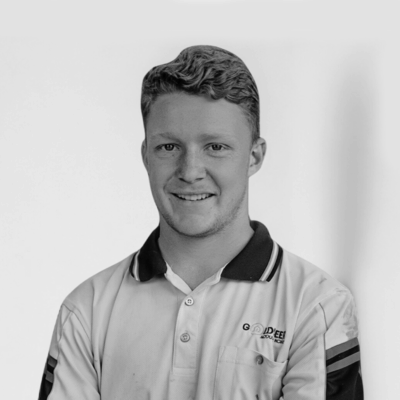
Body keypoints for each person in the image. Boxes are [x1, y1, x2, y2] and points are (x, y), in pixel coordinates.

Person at [39, 45, 363, 400]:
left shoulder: (316, 306)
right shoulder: (86, 311)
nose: (190, 172)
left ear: (254, 156)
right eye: (169, 147)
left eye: (215, 147)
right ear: (146, 156)